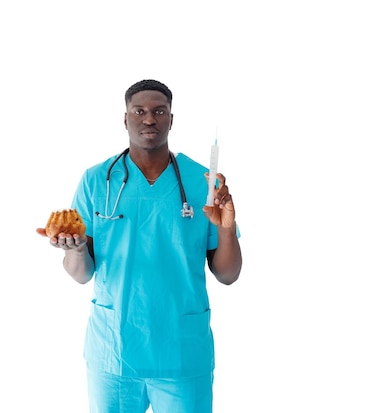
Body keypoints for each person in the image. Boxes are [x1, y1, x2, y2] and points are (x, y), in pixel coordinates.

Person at [36, 79, 242, 413]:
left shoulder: (203, 181)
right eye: (139, 111)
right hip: (114, 352)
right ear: (125, 118)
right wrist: (74, 249)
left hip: (181, 353)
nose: (149, 119)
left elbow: (228, 274)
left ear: (171, 120)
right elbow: (81, 274)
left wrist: (227, 228)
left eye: (160, 111)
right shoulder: (96, 180)